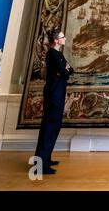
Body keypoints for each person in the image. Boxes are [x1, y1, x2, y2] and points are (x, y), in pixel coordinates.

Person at [34, 29, 74, 174]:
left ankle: (45, 159)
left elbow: (70, 70)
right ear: (57, 40)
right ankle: (40, 165)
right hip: (53, 94)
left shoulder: (58, 54)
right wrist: (64, 70)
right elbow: (65, 72)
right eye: (63, 37)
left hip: (57, 93)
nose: (65, 38)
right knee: (49, 128)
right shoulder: (52, 53)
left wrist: (64, 70)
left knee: (53, 127)